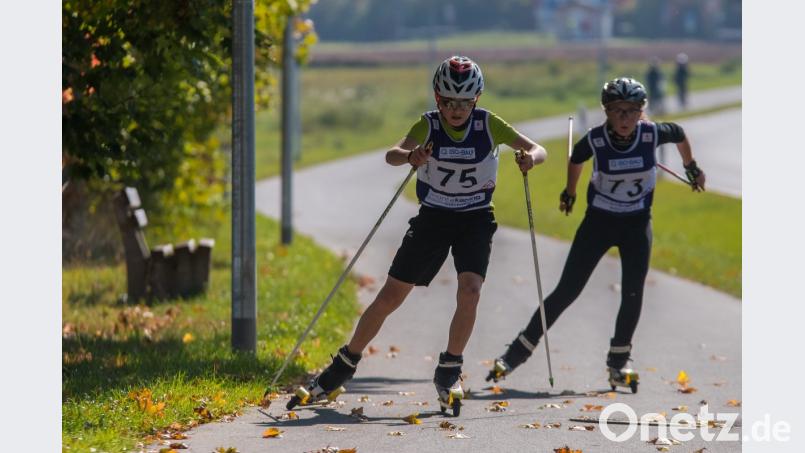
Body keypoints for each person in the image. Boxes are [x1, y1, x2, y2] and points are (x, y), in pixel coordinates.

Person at [290, 56, 547, 415]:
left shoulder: (489, 124)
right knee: (391, 295)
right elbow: (392, 155)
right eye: (448, 102)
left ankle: (450, 369)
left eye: (464, 103)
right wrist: (411, 156)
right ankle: (342, 366)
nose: (456, 110)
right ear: (437, 98)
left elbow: (538, 148)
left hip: (475, 218)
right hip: (434, 218)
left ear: (476, 99)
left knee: (471, 290)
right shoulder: (428, 124)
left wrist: (530, 158)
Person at [486, 77, 706, 393]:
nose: (625, 118)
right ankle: (515, 354)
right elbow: (576, 157)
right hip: (599, 223)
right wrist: (570, 192)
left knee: (633, 293)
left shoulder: (652, 133)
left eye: (632, 111)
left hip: (636, 223)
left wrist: (691, 167)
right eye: (618, 111)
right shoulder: (596, 139)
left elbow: (680, 134)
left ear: (641, 111)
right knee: (567, 290)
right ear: (607, 112)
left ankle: (619, 362)